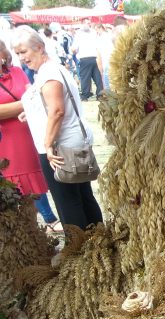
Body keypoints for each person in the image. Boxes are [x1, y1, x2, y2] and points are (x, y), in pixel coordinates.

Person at [12, 26, 103, 231]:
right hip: (69, 142)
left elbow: (57, 111)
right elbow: (52, 106)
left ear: (39, 47)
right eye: (17, 53)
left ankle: (79, 246)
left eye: (24, 51)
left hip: (59, 147)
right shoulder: (52, 69)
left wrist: (48, 145)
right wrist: (32, 112)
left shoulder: (49, 74)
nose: (21, 58)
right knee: (82, 196)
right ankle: (99, 240)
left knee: (68, 201)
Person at [0, 41, 59, 231]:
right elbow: (33, 97)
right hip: (7, 140)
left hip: (29, 133)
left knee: (34, 180)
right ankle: (32, 227)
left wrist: (31, 100)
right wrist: (27, 102)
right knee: (15, 185)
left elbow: (35, 94)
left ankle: (45, 222)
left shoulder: (17, 71)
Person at [71, 19, 104, 100]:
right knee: (97, 77)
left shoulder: (79, 34)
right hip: (94, 57)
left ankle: (85, 94)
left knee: (85, 78)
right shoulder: (93, 33)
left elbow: (74, 48)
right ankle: (100, 94)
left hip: (84, 58)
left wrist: (73, 52)